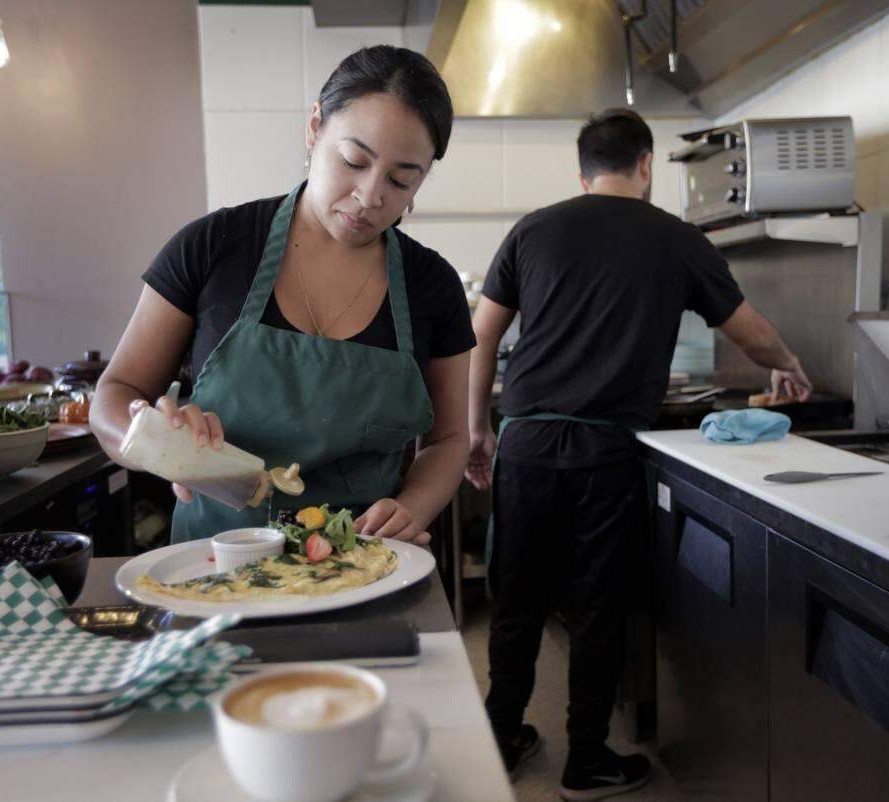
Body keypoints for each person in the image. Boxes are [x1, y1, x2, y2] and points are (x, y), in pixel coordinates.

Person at [466, 108, 812, 798]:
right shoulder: (676, 239)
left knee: (516, 597)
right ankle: (586, 760)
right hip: (607, 447)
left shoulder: (534, 227)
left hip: (527, 439)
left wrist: (477, 428)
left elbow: (481, 335)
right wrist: (790, 366)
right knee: (598, 603)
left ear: (582, 169)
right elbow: (750, 333)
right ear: (647, 165)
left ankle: (500, 737)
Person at [90, 46, 474, 546]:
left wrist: (410, 509)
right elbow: (113, 395)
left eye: (402, 180)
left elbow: (447, 439)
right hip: (215, 567)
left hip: (364, 563)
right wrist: (151, 441)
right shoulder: (212, 247)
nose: (370, 196)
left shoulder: (432, 285)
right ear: (315, 127)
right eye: (353, 161)